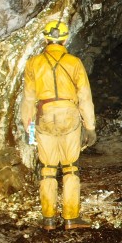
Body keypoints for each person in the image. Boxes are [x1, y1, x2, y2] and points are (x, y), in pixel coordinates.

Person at [21, 20, 96, 230]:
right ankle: (71, 218)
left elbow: (28, 99)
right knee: (70, 167)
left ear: (46, 38)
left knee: (47, 168)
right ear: (64, 39)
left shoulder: (33, 63)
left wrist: (29, 128)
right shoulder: (73, 62)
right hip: (69, 115)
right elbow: (84, 96)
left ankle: (48, 219)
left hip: (44, 114)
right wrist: (90, 127)